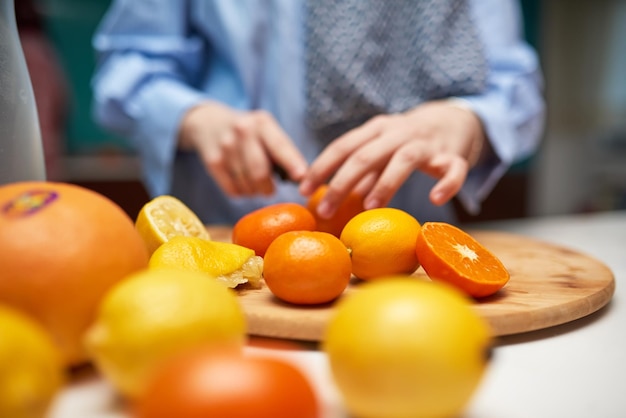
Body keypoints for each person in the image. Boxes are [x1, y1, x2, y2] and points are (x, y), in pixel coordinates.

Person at [91, 0, 545, 225]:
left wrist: (466, 119)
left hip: (409, 261)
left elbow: (515, 85)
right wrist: (195, 119)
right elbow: (124, 68)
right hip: (229, 242)